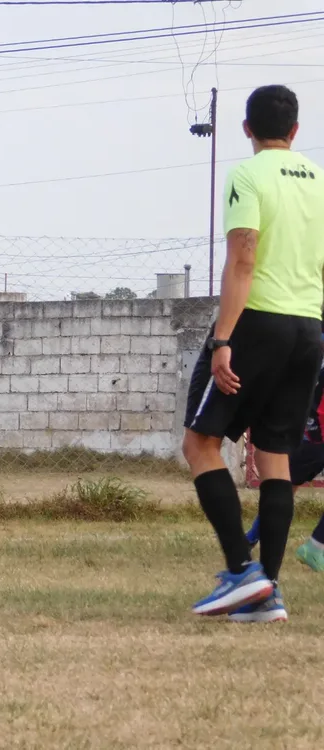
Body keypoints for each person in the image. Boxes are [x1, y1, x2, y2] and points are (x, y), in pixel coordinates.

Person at [182, 85, 324, 624]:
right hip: (308, 328)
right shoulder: (319, 180)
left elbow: (243, 258)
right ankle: (271, 592)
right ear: (294, 131)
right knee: (276, 457)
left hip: (256, 323)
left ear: (246, 130)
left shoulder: (249, 175)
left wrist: (223, 339)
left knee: (200, 444)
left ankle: (244, 573)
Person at [246, 323, 324, 569]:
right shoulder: (314, 340)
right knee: (284, 487)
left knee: (284, 487)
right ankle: (314, 546)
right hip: (317, 430)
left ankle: (249, 539)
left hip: (312, 428)